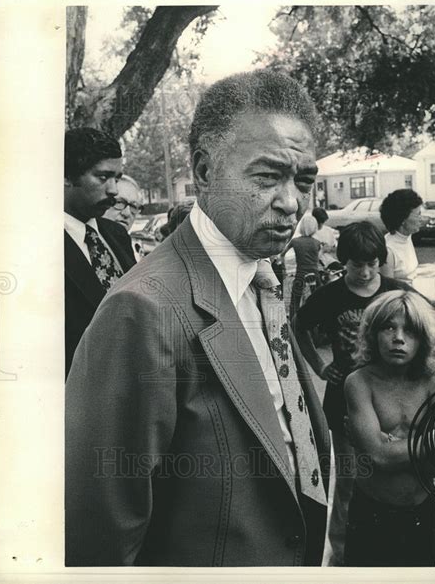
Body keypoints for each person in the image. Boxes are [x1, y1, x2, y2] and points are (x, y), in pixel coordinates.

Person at [65, 70, 331, 567]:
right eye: (267, 176)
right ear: (205, 172)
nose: (292, 201)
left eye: (305, 180)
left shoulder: (260, 277)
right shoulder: (142, 310)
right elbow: (98, 542)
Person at [292, 221, 415, 566]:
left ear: (381, 260)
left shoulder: (396, 292)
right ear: (342, 261)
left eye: (371, 263)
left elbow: (428, 327)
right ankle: (343, 558)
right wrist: (318, 366)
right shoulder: (330, 295)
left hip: (394, 402)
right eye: (356, 264)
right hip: (344, 402)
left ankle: (384, 549)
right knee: (349, 479)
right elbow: (298, 326)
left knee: (391, 476)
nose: (364, 272)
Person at [344, 290, 435, 566]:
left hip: (420, 516)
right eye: (388, 327)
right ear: (373, 334)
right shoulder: (359, 382)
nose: (398, 338)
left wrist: (396, 444)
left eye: (410, 330)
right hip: (370, 513)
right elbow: (378, 457)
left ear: (423, 338)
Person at [64, 127, 136, 377]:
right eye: (103, 177)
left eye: (117, 177)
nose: (114, 190)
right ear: (66, 176)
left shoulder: (117, 235)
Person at [380, 189, 423, 284]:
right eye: (418, 214)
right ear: (403, 219)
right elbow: (388, 292)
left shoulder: (407, 237)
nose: (421, 219)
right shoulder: (388, 250)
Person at [283, 215, 321, 319]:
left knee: (295, 301)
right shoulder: (317, 243)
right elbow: (318, 259)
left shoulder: (295, 241)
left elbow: (282, 254)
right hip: (315, 274)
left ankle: (292, 321)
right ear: (314, 227)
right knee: (319, 299)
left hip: (300, 274)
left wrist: (283, 267)